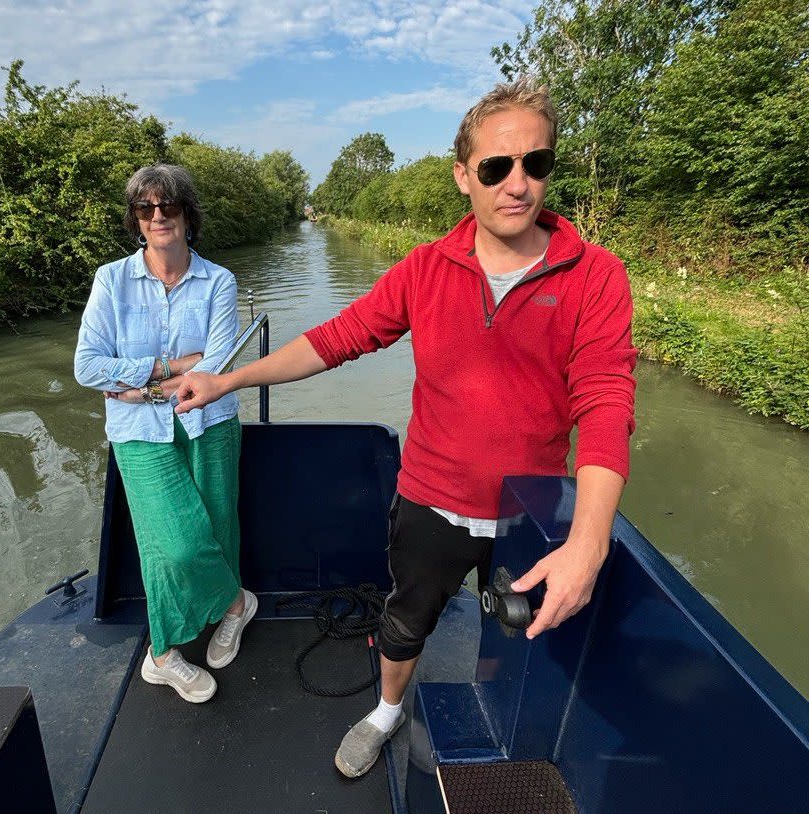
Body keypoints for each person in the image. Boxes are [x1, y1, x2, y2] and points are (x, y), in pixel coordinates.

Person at [174, 79, 637, 770]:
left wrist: (589, 541)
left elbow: (605, 403)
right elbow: (339, 337)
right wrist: (231, 378)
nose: (519, 184)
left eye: (536, 164)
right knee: (405, 618)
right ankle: (387, 713)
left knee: (518, 634)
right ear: (463, 177)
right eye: (496, 167)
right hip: (432, 497)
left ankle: (499, 725)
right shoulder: (426, 269)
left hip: (531, 511)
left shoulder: (595, 276)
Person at [74, 164, 256, 704]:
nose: (158, 217)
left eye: (169, 207)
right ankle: (203, 626)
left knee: (219, 526)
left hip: (210, 423)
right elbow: (87, 366)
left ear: (186, 216)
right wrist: (167, 367)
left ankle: (202, 628)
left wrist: (133, 383)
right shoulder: (111, 280)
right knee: (171, 547)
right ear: (135, 219)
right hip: (138, 435)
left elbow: (216, 367)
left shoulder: (219, 281)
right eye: (145, 209)